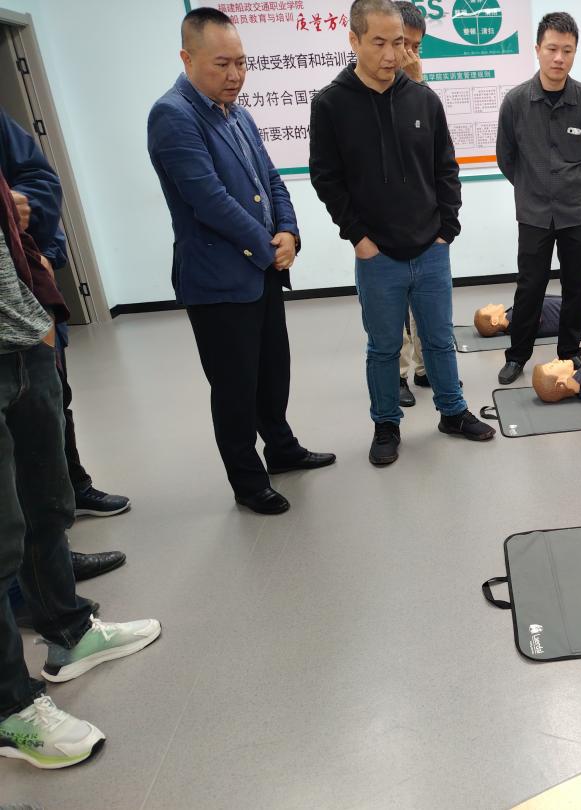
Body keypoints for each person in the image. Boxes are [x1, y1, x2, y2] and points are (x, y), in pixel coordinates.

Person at [0, 168, 161, 770]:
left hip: (23, 340)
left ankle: (69, 634)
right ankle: (11, 708)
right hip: (18, 336)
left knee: (46, 506)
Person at [148, 8, 335, 514]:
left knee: (273, 371)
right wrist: (268, 246)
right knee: (234, 387)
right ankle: (248, 482)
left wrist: (289, 232)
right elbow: (208, 201)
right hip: (218, 280)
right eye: (222, 64)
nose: (235, 75)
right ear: (187, 59)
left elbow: (271, 180)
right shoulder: (173, 115)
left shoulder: (237, 113)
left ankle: (282, 448)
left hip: (261, 269)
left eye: (241, 63)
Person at [309, 0, 495, 467]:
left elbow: (445, 167)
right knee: (383, 347)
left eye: (399, 43)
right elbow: (327, 179)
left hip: (431, 248)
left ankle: (452, 412)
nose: (392, 55)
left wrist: (447, 229)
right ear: (353, 41)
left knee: (439, 339)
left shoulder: (423, 99)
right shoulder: (331, 105)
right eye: (379, 43)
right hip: (377, 256)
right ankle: (386, 424)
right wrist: (359, 239)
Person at [0, 107, 130, 522]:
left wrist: (25, 221)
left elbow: (40, 180)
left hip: (26, 299)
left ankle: (71, 494)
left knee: (52, 401)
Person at [495, 12, 581, 385]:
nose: (559, 58)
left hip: (577, 213)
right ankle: (517, 356)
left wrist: (575, 184)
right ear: (537, 49)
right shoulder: (516, 102)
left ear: (575, 52)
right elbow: (506, 157)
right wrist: (532, 186)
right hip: (533, 214)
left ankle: (570, 352)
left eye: (567, 50)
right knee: (530, 287)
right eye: (552, 49)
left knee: (576, 285)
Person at [394, 0, 428, 407]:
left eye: (417, 47)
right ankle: (398, 374)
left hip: (423, 219)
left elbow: (434, 149)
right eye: (404, 44)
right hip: (384, 223)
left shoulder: (420, 88)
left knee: (424, 302)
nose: (409, 56)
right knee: (394, 310)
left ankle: (423, 367)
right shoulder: (368, 91)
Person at [473, 294, 581, 338]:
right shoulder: (517, 322)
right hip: (579, 315)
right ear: (494, 321)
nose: (490, 304)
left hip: (575, 309)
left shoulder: (513, 317)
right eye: (487, 308)